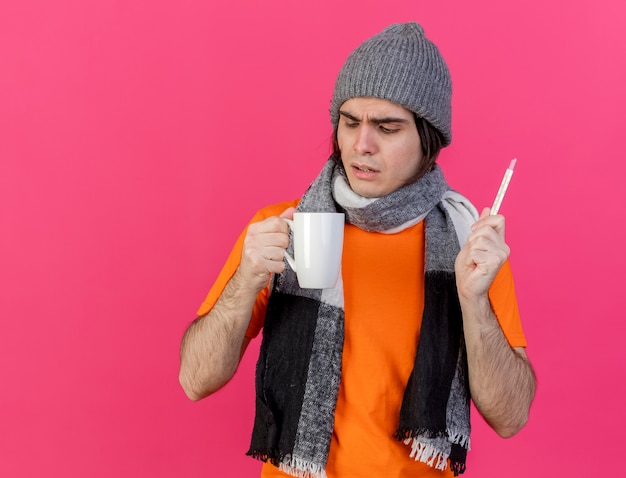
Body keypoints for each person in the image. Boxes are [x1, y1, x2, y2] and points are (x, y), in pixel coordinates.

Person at [179, 22, 536, 478]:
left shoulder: (470, 245)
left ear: (429, 142)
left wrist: (474, 302)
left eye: (387, 128)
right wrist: (245, 281)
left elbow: (511, 417)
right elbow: (194, 381)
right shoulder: (282, 228)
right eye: (350, 122)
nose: (361, 145)